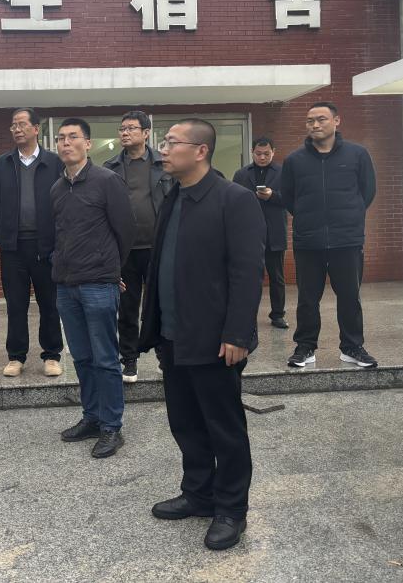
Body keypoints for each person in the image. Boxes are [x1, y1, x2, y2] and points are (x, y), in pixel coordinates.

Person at [139, 118, 265, 551]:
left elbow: (247, 273)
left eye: (171, 142)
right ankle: (199, 494)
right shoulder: (173, 197)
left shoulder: (235, 200)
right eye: (164, 142)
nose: (163, 149)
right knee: (186, 422)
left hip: (216, 340)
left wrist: (238, 334)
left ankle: (231, 509)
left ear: (200, 151)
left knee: (223, 428)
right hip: (174, 336)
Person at [51, 118, 135, 459]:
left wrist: (111, 271)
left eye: (73, 137)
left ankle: (112, 426)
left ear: (87, 144)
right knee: (82, 358)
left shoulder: (107, 181)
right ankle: (92, 417)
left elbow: (125, 231)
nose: (66, 143)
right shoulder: (57, 189)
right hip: (66, 286)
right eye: (61, 138)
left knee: (105, 358)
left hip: (99, 285)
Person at [281, 102, 377, 369]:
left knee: (349, 296)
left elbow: (367, 191)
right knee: (307, 298)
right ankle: (305, 347)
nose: (315, 125)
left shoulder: (357, 154)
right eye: (310, 120)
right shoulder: (294, 160)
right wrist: (307, 217)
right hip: (308, 240)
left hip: (347, 239)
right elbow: (289, 198)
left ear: (336, 121)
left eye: (321, 119)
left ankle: (352, 347)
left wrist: (350, 216)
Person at [0, 108, 64, 378]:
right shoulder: (2, 164)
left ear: (36, 129)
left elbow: (64, 203)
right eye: (13, 125)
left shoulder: (54, 163)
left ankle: (52, 355)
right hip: (13, 246)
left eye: (22, 124)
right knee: (15, 304)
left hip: (46, 246)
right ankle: (16, 356)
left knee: (50, 303)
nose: (17, 129)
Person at [103, 110, 171, 382]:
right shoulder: (110, 167)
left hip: (157, 246)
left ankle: (165, 356)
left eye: (131, 128)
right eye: (122, 128)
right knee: (127, 307)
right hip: (124, 249)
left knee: (161, 304)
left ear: (146, 133)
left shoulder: (163, 164)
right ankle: (129, 359)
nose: (125, 133)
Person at [233, 137, 289, 329]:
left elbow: (291, 199)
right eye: (258, 154)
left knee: (277, 277)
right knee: (247, 277)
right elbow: (233, 201)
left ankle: (278, 315)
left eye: (266, 153)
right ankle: (246, 314)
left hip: (275, 233)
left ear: (274, 152)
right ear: (252, 152)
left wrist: (272, 195)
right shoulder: (241, 174)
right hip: (248, 233)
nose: (262, 157)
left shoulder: (283, 172)